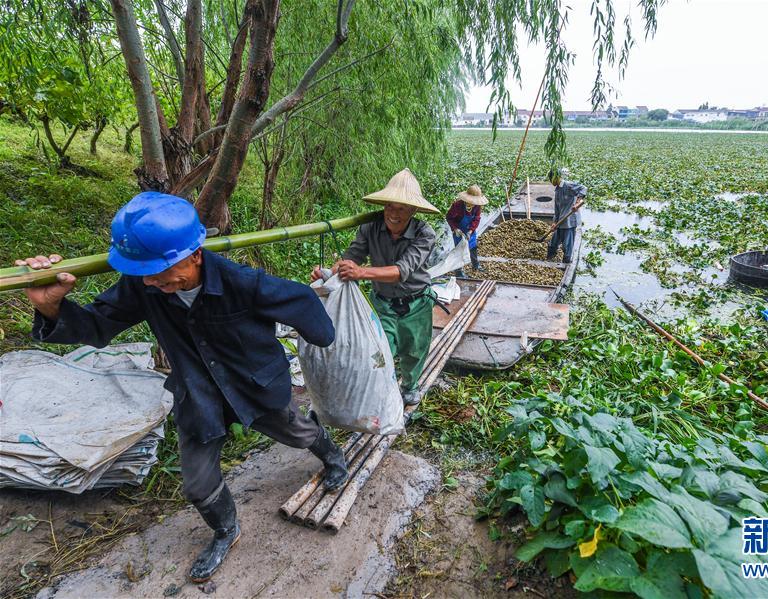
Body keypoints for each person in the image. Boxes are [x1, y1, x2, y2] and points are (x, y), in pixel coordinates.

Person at [17, 192, 349, 583]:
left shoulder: (245, 283)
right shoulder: (146, 285)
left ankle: (334, 458)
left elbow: (306, 304)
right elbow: (97, 326)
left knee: (296, 430)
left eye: (162, 271)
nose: (155, 282)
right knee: (197, 481)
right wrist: (51, 307)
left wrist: (322, 336)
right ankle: (227, 530)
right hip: (198, 393)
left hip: (253, 384)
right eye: (146, 274)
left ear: (196, 254)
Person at [313, 168, 437, 407]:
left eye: (401, 208)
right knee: (381, 352)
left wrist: (361, 273)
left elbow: (402, 271)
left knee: (414, 351)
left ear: (412, 210)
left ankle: (410, 386)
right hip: (383, 303)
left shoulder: (424, 233)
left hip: (417, 303)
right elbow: (351, 257)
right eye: (390, 206)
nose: (393, 213)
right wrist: (328, 274)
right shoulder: (370, 227)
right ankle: (382, 393)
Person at [546, 167, 587, 263]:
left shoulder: (568, 186)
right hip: (560, 221)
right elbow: (557, 209)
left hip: (569, 221)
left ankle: (566, 263)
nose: (550, 181)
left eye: (550, 179)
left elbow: (583, 188)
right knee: (553, 243)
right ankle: (549, 258)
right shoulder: (557, 190)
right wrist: (554, 222)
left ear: (556, 177)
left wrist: (577, 203)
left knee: (567, 246)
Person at [445, 184, 487, 275]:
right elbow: (449, 217)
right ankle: (458, 271)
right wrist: (455, 229)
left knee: (473, 247)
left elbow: (477, 218)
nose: (472, 203)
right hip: (459, 231)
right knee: (459, 249)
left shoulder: (477, 206)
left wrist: (471, 230)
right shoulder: (457, 205)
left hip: (470, 229)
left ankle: (475, 265)